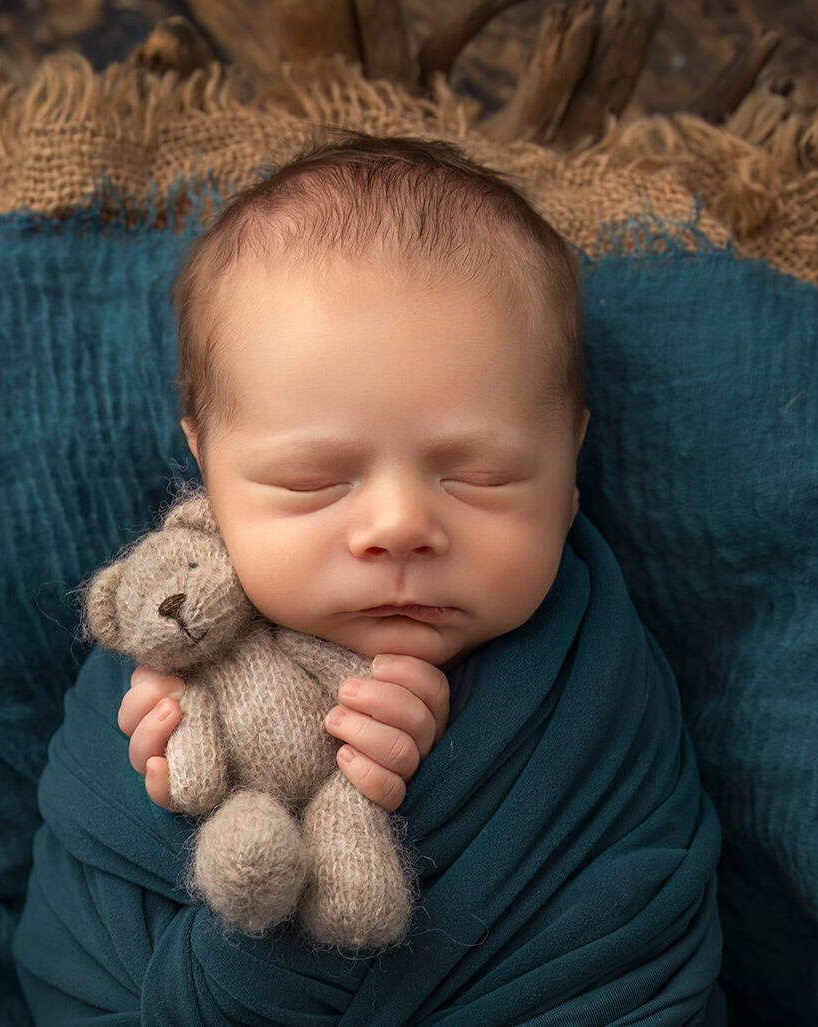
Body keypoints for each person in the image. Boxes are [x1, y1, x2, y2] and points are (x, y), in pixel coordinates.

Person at [118, 131, 589, 817]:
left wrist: (432, 788)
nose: (398, 528)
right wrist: (175, 793)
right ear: (207, 470)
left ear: (569, 463)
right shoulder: (170, 640)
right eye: (314, 481)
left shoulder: (597, 686)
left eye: (480, 475)